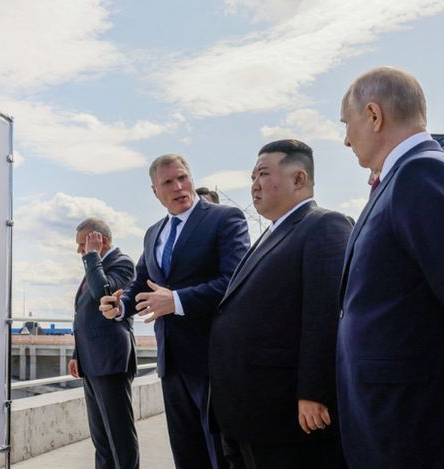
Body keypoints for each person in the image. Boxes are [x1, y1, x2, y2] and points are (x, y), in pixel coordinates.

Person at [337, 67, 444, 468]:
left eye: (347, 124)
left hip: (414, 427)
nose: (346, 139)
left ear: (373, 115)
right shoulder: (402, 178)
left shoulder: (422, 174)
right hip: (395, 419)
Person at [100, 154, 249, 469]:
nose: (179, 186)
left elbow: (234, 281)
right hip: (172, 363)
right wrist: (121, 305)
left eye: (183, 177)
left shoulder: (225, 218)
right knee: (186, 454)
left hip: (213, 360)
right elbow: (142, 283)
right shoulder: (154, 232)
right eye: (168, 182)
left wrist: (178, 300)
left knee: (221, 456)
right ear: (155, 191)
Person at [209, 139, 351, 469]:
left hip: (285, 413)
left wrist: (315, 392)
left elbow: (325, 314)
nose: (254, 186)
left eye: (262, 174)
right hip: (247, 411)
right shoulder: (271, 233)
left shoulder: (324, 226)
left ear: (298, 179)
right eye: (252, 177)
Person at [68, 218, 138, 469]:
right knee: (101, 439)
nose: (80, 251)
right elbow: (83, 315)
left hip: (111, 360)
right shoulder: (94, 266)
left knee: (119, 436)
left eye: (82, 245)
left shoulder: (122, 263)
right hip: (91, 361)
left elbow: (103, 294)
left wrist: (92, 256)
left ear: (101, 240)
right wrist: (77, 354)